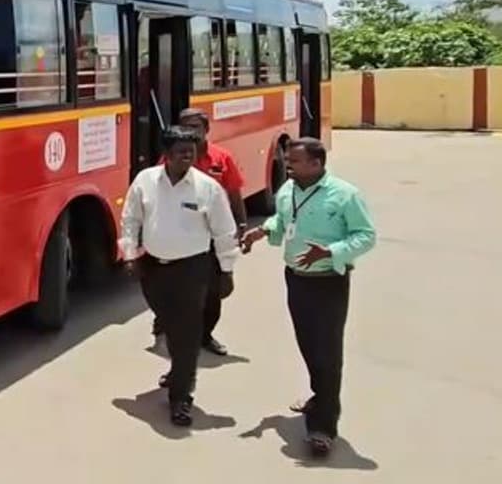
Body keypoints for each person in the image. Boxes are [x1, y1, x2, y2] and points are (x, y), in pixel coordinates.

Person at [241, 137, 376, 457]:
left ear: (316, 164)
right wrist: (264, 230)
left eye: (295, 161)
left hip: (329, 282)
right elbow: (283, 221)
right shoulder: (288, 190)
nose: (287, 164)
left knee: (328, 353)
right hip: (296, 279)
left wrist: (329, 252)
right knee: (309, 347)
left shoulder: (345, 194)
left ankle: (323, 428)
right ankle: (320, 395)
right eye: (288, 159)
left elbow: (366, 235)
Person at [119, 126, 239, 426]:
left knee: (186, 332)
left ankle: (181, 397)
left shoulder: (208, 188)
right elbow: (131, 219)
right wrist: (130, 255)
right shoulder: (145, 180)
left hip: (192, 270)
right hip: (153, 269)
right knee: (171, 326)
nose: (188, 156)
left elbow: (224, 231)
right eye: (181, 151)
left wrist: (226, 270)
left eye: (192, 151)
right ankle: (179, 372)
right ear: (166, 154)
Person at [151, 108, 250, 356]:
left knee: (213, 291)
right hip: (179, 234)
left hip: (213, 235)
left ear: (206, 129)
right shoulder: (170, 158)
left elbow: (234, 193)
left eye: (195, 127)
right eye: (185, 126)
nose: (190, 132)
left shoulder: (222, 158)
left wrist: (241, 224)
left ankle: (205, 335)